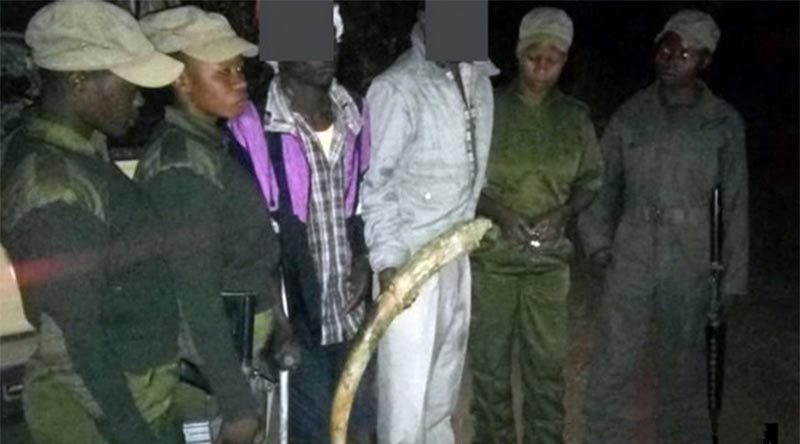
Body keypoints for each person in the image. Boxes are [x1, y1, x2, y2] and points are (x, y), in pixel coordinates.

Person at [0, 1, 185, 443]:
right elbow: (75, 343)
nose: (140, 97)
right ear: (78, 79)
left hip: (131, 396)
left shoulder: (79, 152)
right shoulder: (53, 185)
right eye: (129, 83)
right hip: (103, 417)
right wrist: (132, 433)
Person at [579, 10, 748, 444]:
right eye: (665, 48)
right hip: (633, 246)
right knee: (614, 360)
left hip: (690, 255)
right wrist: (598, 245)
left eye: (685, 52)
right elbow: (600, 182)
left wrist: (731, 282)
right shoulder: (631, 114)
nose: (671, 59)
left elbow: (734, 205)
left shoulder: (723, 123)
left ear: (705, 61)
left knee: (683, 367)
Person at [136, 6, 296, 444]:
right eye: (221, 72)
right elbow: (194, 299)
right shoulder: (181, 167)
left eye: (239, 69)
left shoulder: (208, 147)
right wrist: (236, 404)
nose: (239, 80)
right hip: (212, 374)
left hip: (237, 355)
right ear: (181, 80)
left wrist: (278, 324)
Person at [228, 5, 375, 443]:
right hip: (296, 319)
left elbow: (365, 204)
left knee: (358, 426)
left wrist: (366, 259)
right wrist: (276, 321)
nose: (325, 48)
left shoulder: (356, 114)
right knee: (306, 432)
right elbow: (249, 237)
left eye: (328, 35)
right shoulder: (251, 126)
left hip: (351, 315)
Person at [360, 11, 499, 444]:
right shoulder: (395, 88)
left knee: (442, 397)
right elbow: (375, 185)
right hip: (409, 264)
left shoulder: (480, 80)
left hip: (456, 257)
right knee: (405, 410)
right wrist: (389, 265)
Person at [469, 7, 603, 444]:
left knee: (545, 372)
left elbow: (590, 182)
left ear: (567, 60)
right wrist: (499, 212)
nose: (543, 65)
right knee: (489, 369)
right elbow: (464, 182)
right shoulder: (486, 108)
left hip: (548, 267)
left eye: (555, 56)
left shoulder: (575, 118)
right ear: (518, 53)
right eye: (534, 54)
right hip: (493, 262)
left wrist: (564, 212)